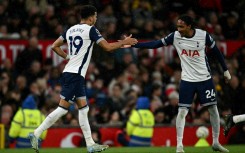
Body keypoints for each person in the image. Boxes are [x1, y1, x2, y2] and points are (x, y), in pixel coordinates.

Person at [28, 5, 137, 153]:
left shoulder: (70, 29)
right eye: (96, 16)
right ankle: (36, 133)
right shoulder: (91, 29)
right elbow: (108, 47)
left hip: (72, 73)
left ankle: (90, 144)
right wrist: (124, 42)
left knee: (84, 109)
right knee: (62, 109)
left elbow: (54, 46)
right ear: (91, 17)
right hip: (75, 75)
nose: (96, 19)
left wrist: (68, 57)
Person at [130, 15, 231, 152]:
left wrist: (225, 70)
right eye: (177, 26)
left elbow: (217, 52)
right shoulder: (175, 36)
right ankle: (179, 145)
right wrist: (135, 43)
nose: (178, 29)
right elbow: (155, 44)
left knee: (213, 109)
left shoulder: (203, 35)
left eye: (181, 27)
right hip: (187, 81)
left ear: (189, 26)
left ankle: (215, 142)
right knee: (182, 111)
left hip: (205, 79)